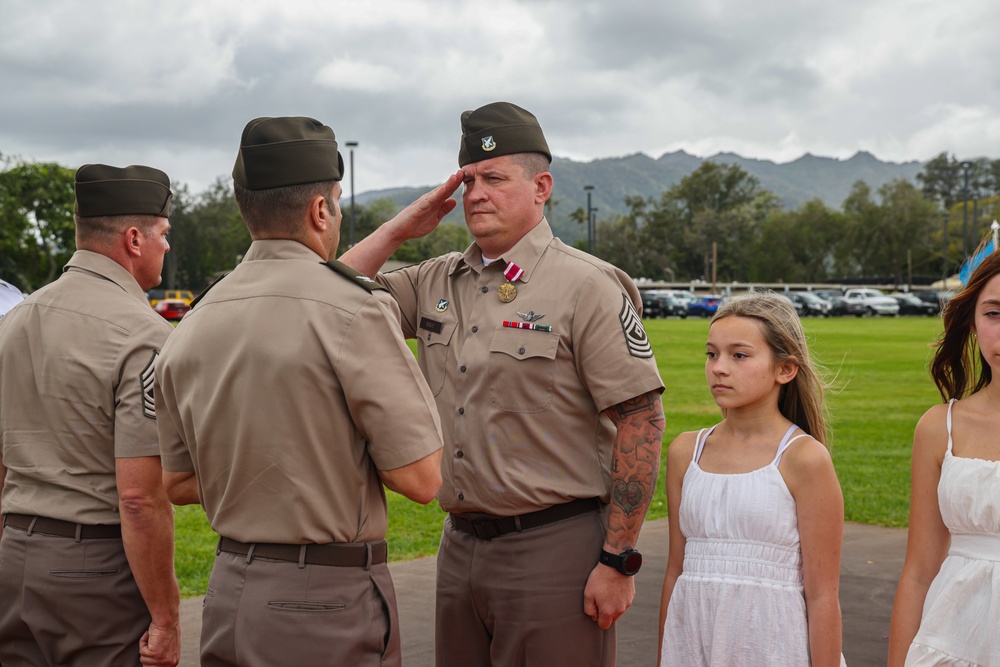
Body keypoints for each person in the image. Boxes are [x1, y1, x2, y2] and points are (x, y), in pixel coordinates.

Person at [340, 101, 666, 666]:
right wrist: (400, 227)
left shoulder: (586, 286)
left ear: (542, 187)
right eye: (466, 181)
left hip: (556, 548)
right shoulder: (437, 279)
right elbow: (330, 300)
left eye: (494, 178)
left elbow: (641, 418)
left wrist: (618, 560)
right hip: (461, 548)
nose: (475, 195)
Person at [155, 116, 448, 667]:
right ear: (320, 211)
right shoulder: (356, 308)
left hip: (229, 594)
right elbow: (422, 478)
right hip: (326, 605)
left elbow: (177, 481)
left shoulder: (193, 322)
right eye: (335, 201)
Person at [0, 164, 180, 666]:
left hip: (14, 556)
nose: (167, 245)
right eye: (163, 233)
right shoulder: (142, 334)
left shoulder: (15, 321)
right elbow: (140, 498)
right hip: (92, 571)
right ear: (133, 239)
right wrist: (166, 617)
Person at [658, 292, 845, 666]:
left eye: (739, 355)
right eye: (712, 354)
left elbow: (823, 594)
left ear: (785, 369)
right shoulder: (685, 452)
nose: (718, 368)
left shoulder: (804, 459)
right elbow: (676, 570)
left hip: (773, 645)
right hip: (695, 643)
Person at [888, 246, 1000, 666]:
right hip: (949, 639)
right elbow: (918, 572)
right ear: (972, 323)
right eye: (994, 313)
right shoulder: (939, 428)